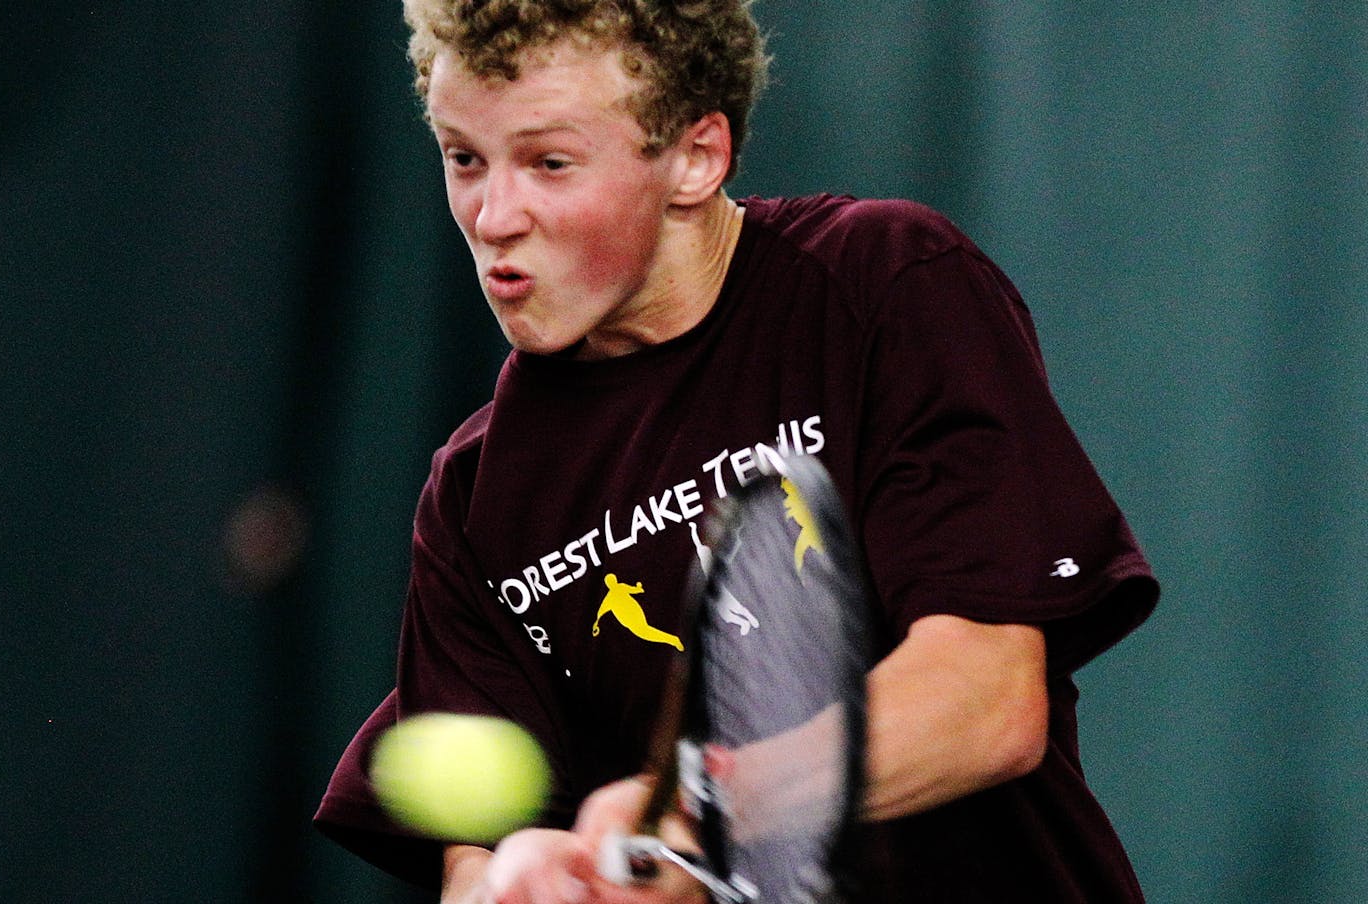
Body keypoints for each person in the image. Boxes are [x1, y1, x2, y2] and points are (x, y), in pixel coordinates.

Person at [314, 1, 1160, 901]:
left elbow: (987, 701)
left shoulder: (886, 285)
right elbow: (474, 867)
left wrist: (697, 813)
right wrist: (522, 884)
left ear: (695, 158)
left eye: (549, 163)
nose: (492, 217)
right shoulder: (472, 501)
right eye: (464, 159)